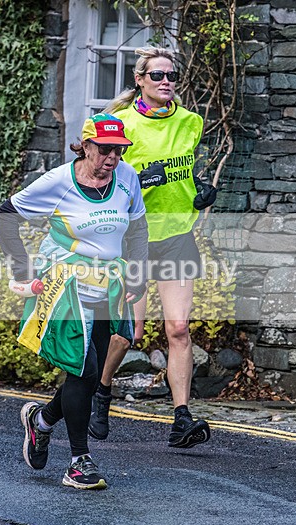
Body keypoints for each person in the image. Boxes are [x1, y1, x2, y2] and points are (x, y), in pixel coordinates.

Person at [0, 114, 148, 490]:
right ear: (85, 146)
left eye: (119, 150)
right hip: (64, 285)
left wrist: (140, 273)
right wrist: (21, 270)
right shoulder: (59, 182)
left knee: (91, 372)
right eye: (105, 149)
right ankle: (79, 460)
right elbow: (5, 216)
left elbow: (140, 226)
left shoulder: (127, 179)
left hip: (106, 286)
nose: (113, 157)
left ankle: (42, 421)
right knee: (83, 369)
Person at [88, 46, 217, 448]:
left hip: (177, 237)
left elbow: (190, 171)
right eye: (158, 75)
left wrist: (202, 190)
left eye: (172, 76)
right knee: (130, 333)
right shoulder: (119, 125)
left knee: (178, 329)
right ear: (140, 80)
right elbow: (102, 180)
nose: (166, 82)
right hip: (134, 241)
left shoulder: (191, 122)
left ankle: (181, 419)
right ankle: (101, 393)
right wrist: (142, 182)